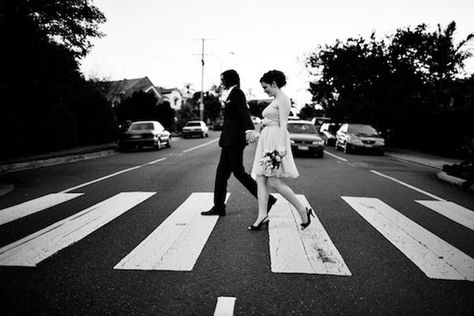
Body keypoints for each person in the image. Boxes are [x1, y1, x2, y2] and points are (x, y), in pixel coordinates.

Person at [201, 69, 277, 216]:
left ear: (230, 79)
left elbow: (243, 112)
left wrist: (249, 130)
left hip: (234, 141)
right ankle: (219, 206)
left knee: (239, 173)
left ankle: (267, 200)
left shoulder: (237, 93)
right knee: (221, 174)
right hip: (228, 141)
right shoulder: (232, 93)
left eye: (223, 79)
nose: (221, 82)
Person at [249, 70, 314, 230]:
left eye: (265, 87)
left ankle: (302, 209)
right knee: (260, 178)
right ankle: (262, 215)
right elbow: (272, 120)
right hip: (267, 139)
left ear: (274, 83)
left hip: (275, 141)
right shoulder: (276, 99)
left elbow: (283, 124)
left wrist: (280, 147)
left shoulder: (283, 99)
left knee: (274, 182)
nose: (264, 90)